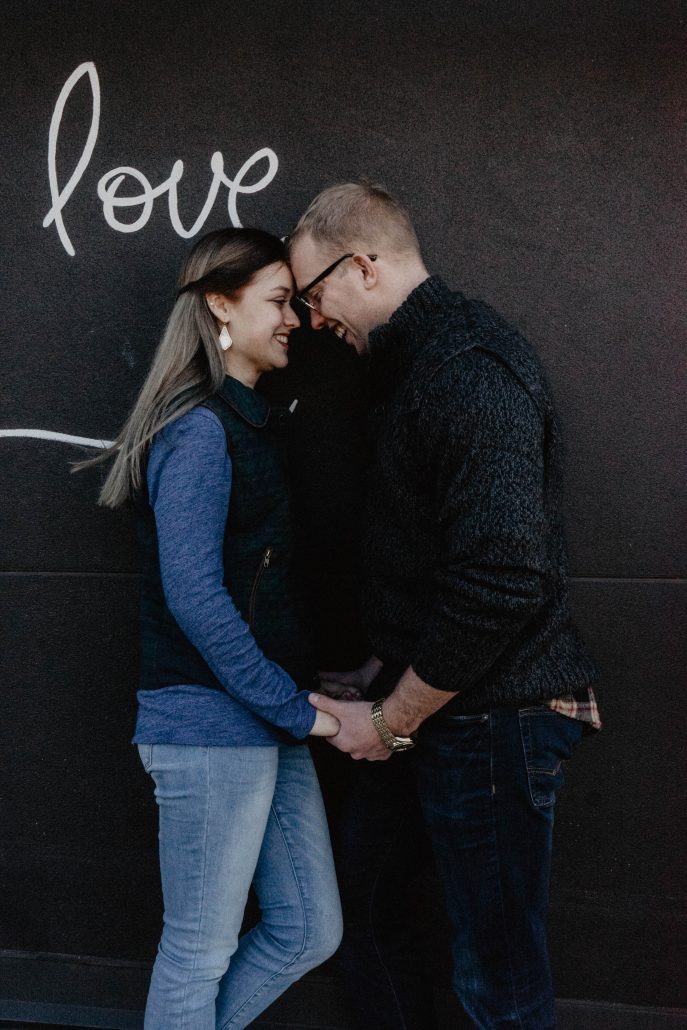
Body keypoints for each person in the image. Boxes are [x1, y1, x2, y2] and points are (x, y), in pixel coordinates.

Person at [288, 183, 600, 1030]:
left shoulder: (466, 369)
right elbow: (439, 560)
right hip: (440, 708)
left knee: (497, 983)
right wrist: (382, 664)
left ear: (363, 266)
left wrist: (390, 721)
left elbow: (501, 579)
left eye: (313, 297)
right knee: (373, 920)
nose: (313, 322)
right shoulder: (418, 366)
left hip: (491, 722)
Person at [80, 228, 343, 1030]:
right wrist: (296, 707)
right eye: (277, 301)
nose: (294, 317)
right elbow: (193, 596)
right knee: (197, 951)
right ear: (219, 306)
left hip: (262, 721)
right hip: (209, 726)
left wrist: (293, 705)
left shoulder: (247, 423)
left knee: (308, 928)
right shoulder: (198, 430)